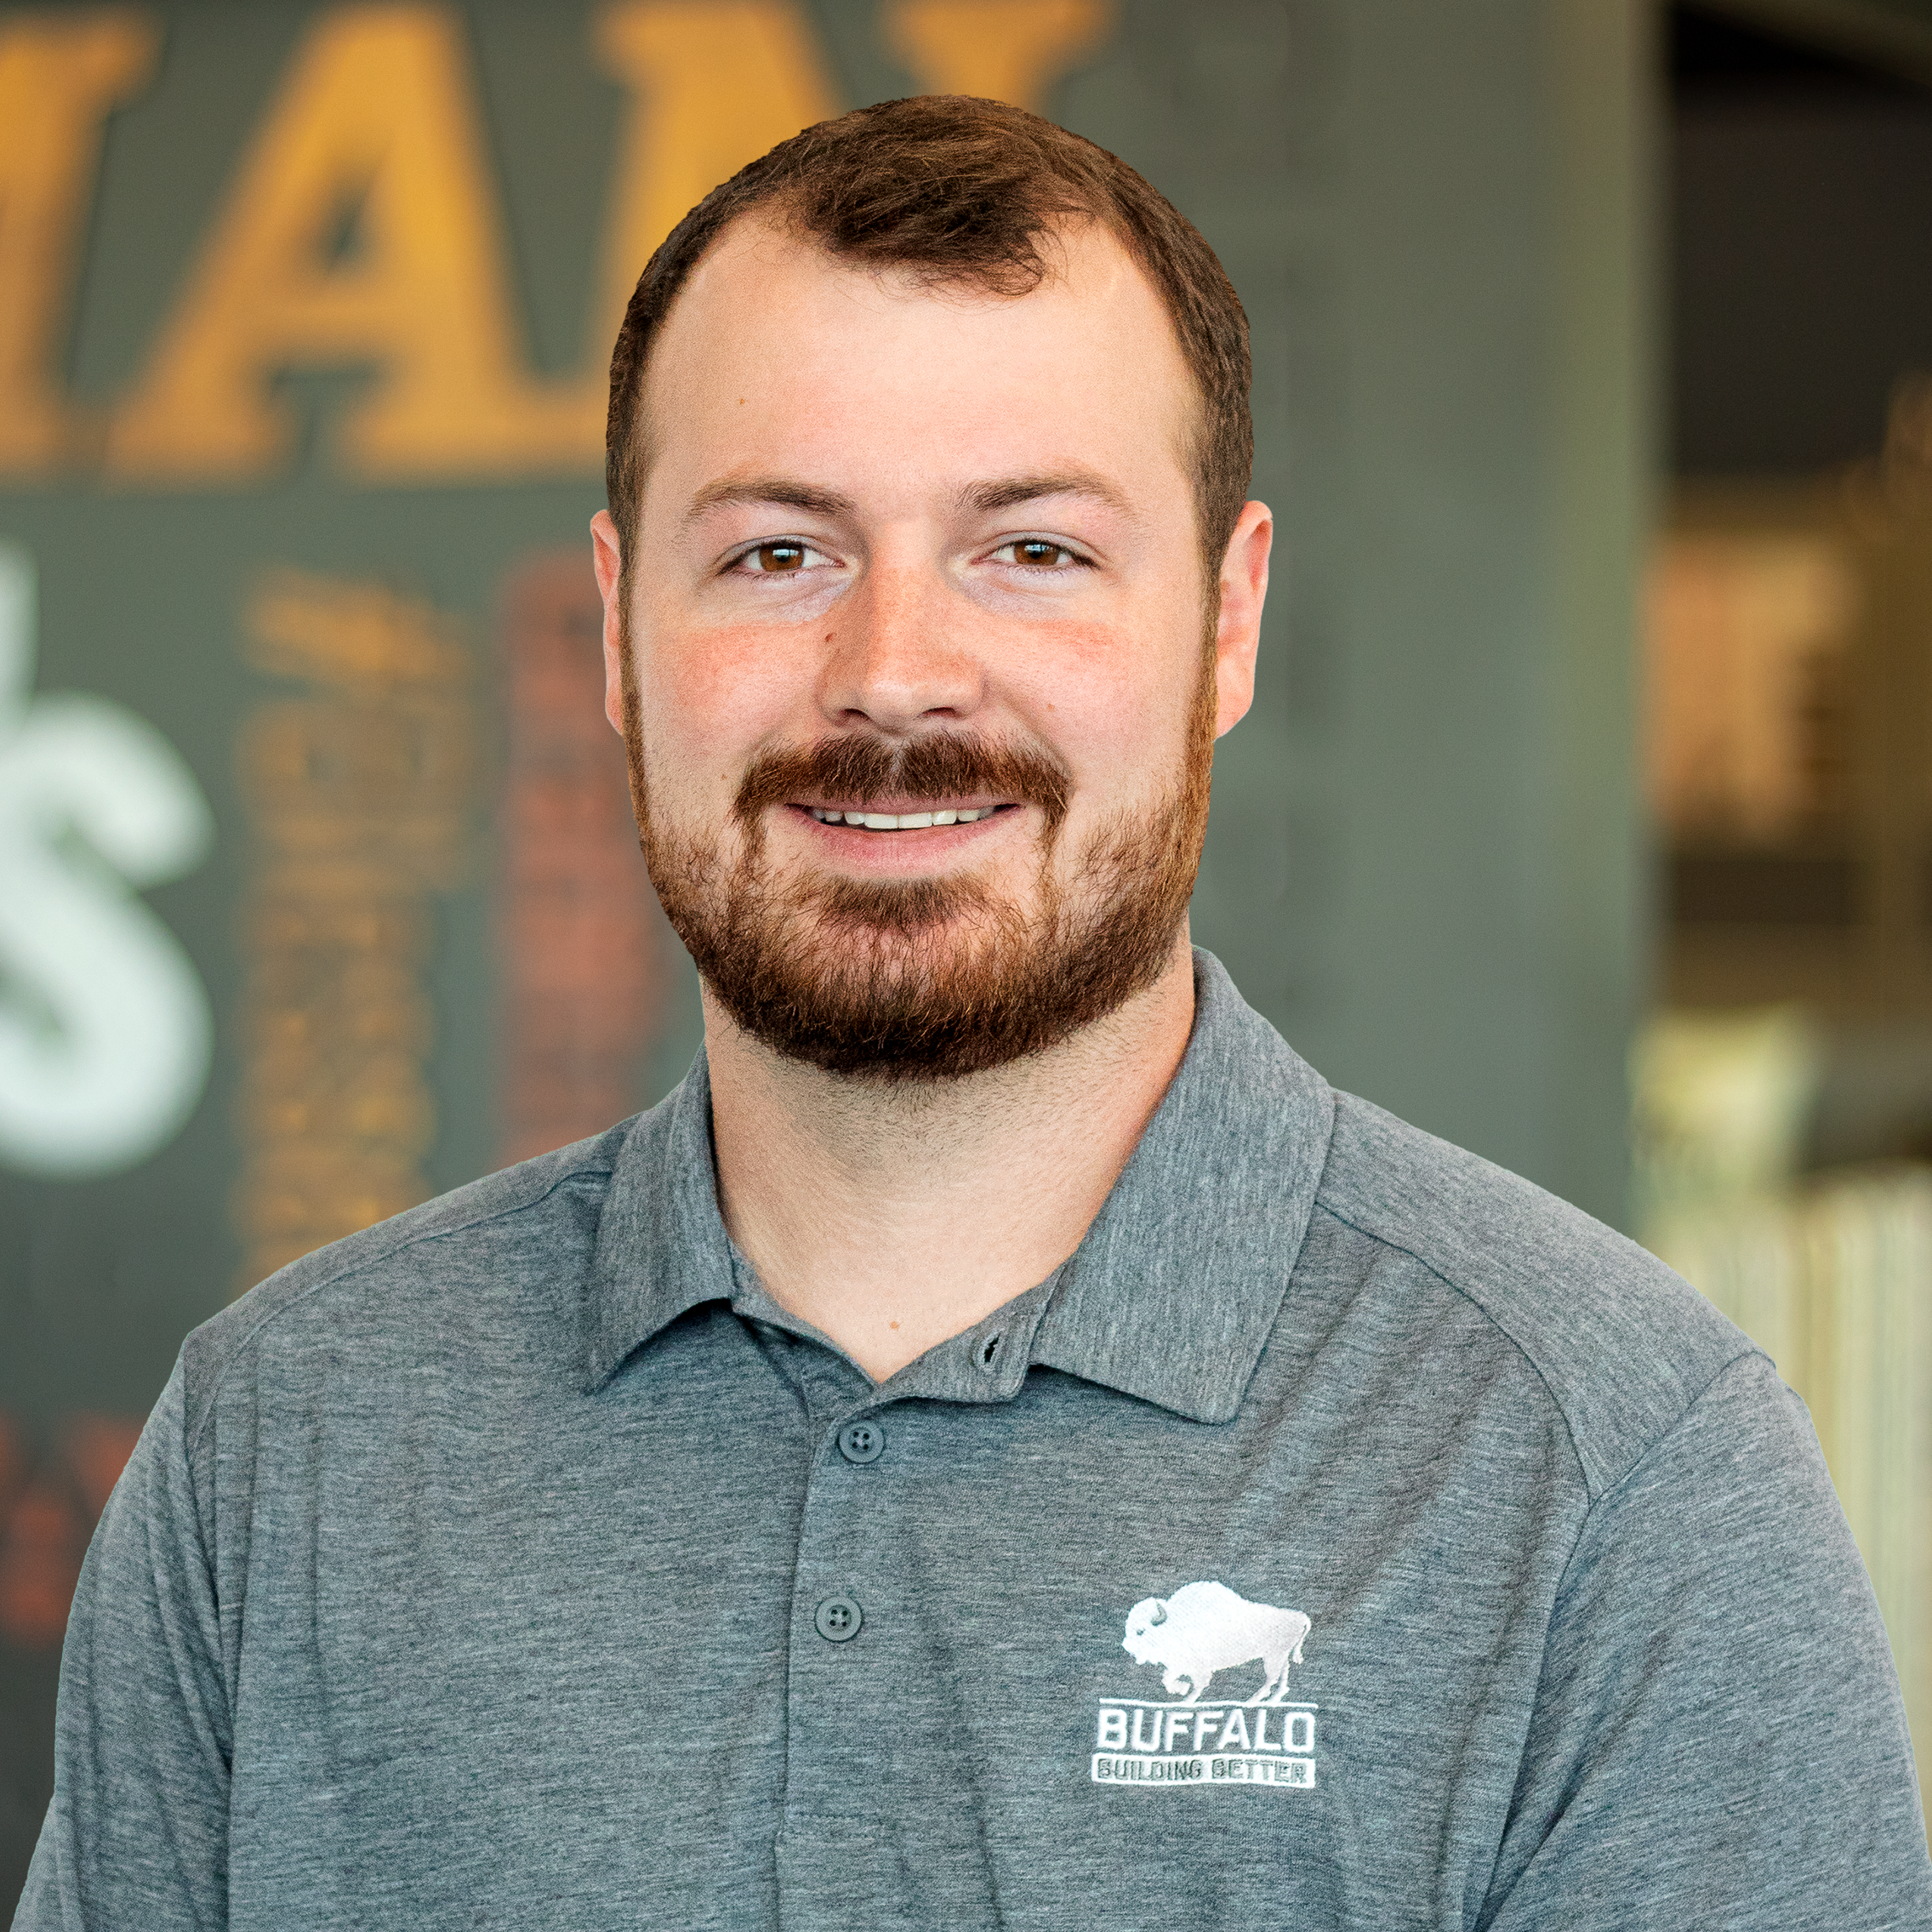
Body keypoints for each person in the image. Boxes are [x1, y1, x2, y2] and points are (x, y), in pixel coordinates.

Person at [14, 95, 1930, 1932]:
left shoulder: (1610, 1476)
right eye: (778, 551)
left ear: (1229, 621)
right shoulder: (284, 1447)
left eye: (1034, 549)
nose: (896, 676)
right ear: (612, 629)